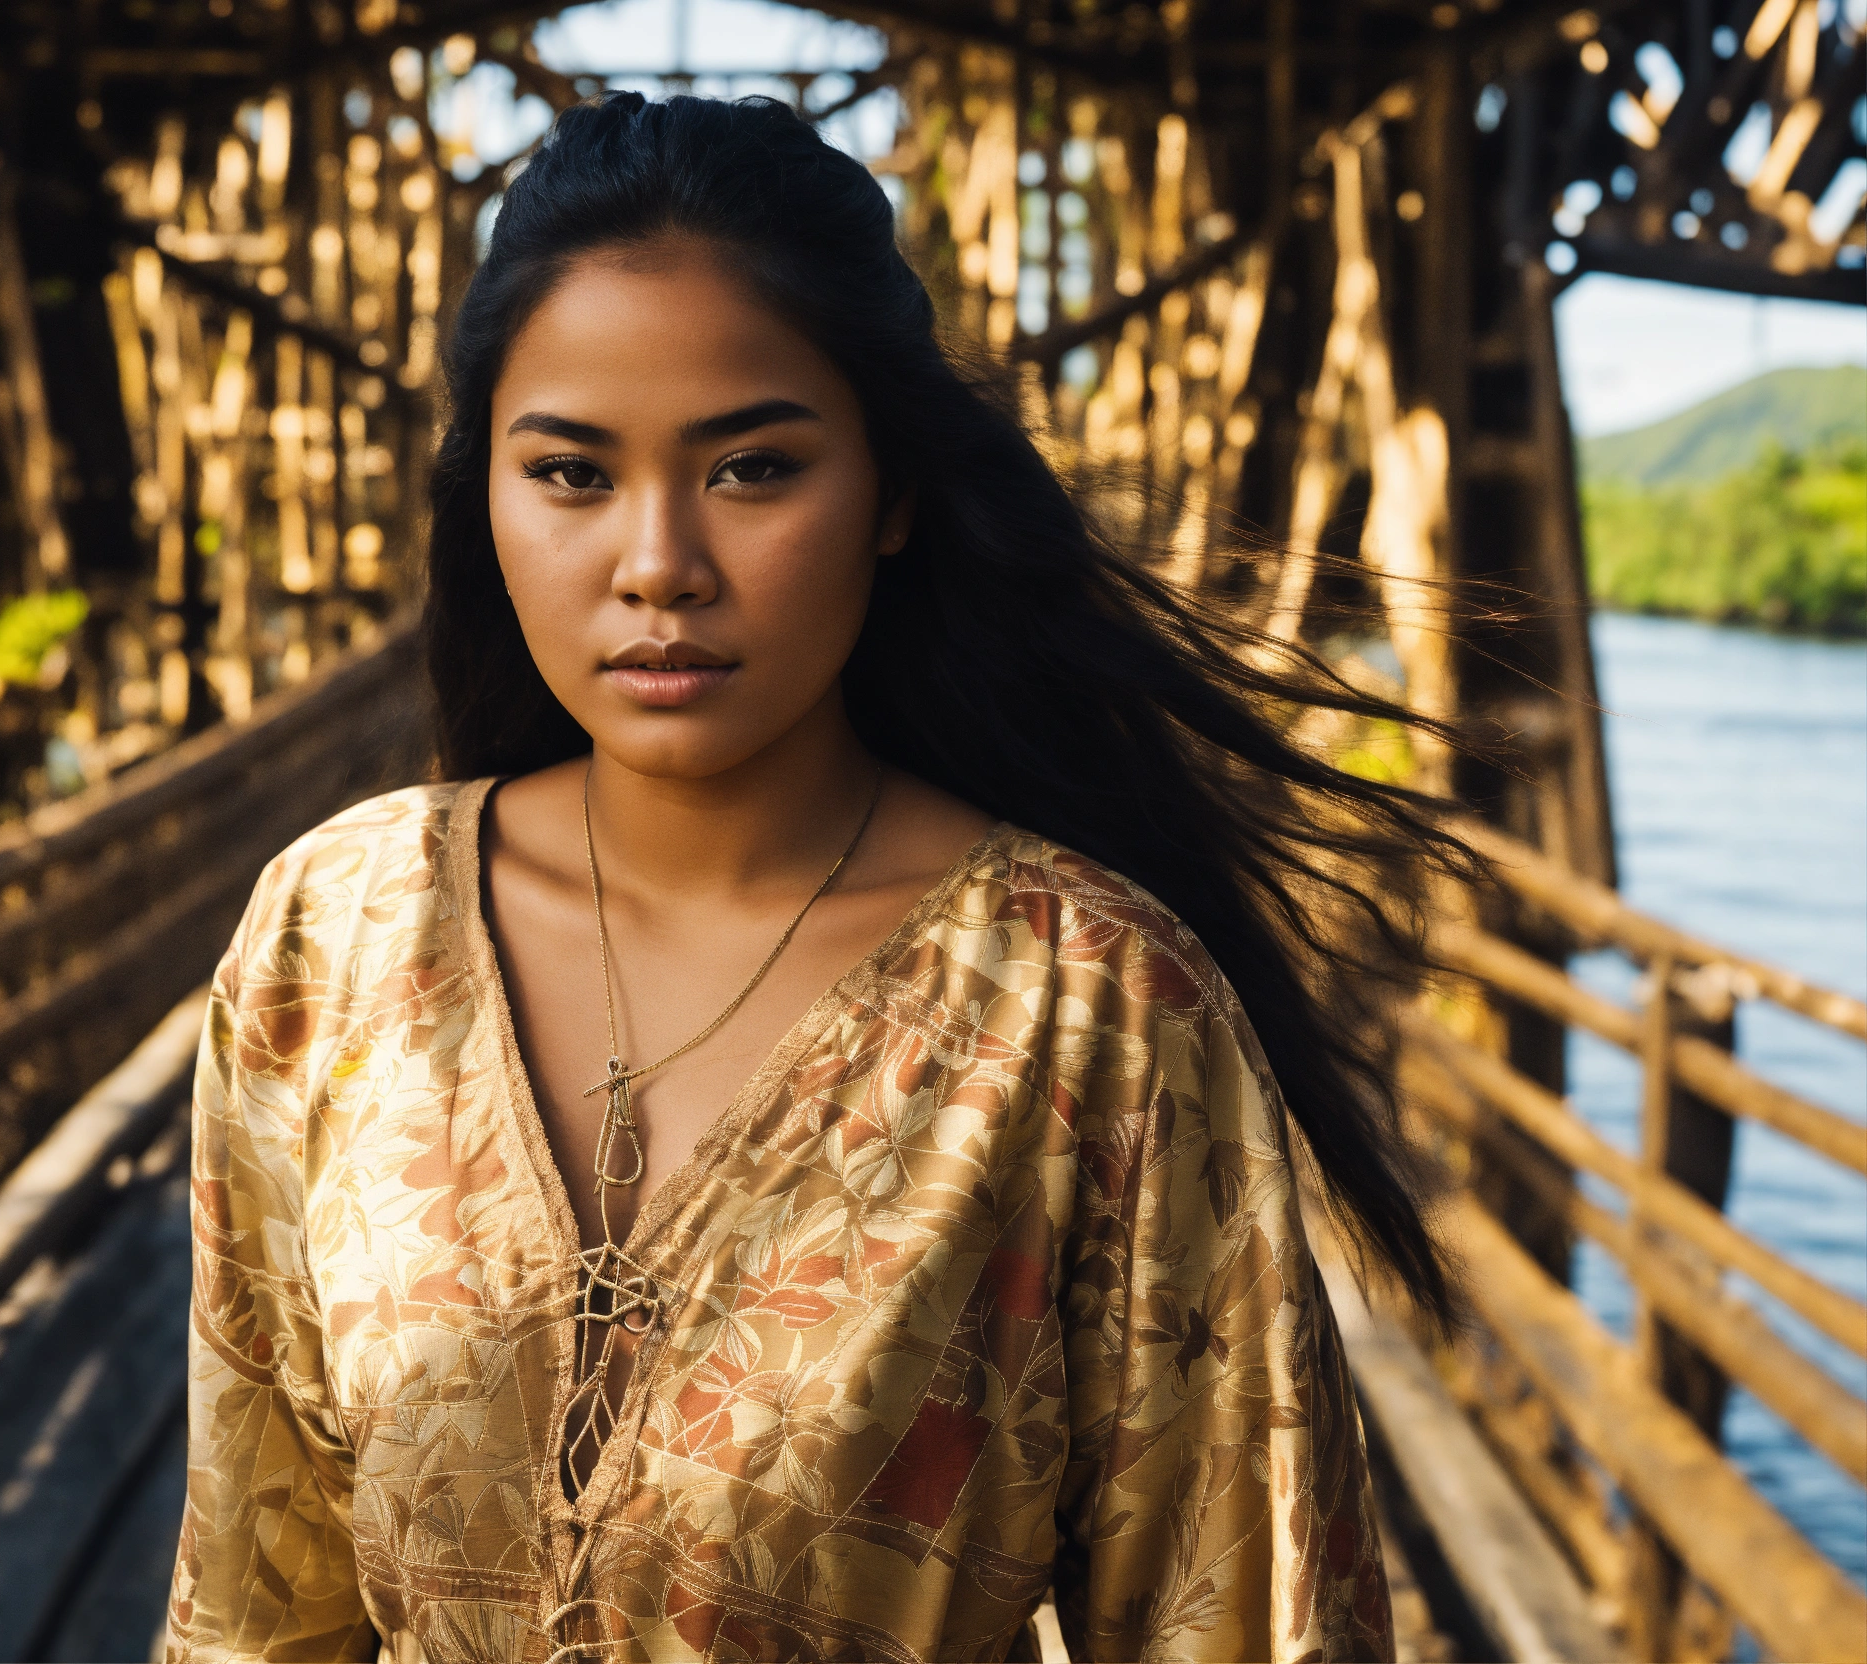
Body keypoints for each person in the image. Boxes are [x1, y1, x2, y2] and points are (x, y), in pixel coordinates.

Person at [166, 92, 1459, 1664]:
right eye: (571, 474)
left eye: (753, 470)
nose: (657, 564)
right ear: (485, 499)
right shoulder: (337, 939)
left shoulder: (1092, 1007)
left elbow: (1250, 1632)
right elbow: (250, 1613)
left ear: (894, 493)